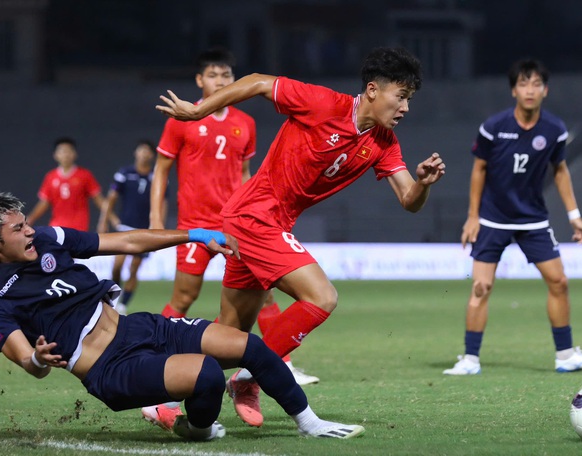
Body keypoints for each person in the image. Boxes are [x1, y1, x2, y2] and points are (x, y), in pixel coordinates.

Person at [156, 46, 446, 427]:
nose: (406, 107)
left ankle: (159, 392)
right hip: (254, 216)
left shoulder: (384, 143)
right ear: (374, 90)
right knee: (323, 296)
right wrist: (199, 110)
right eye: (402, 96)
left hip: (266, 222)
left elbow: (409, 200)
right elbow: (260, 82)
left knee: (229, 335)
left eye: (409, 98)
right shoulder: (324, 104)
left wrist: (423, 183)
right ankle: (250, 378)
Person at [0, 190, 365, 441]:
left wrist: (194, 234)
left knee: (250, 347)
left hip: (138, 327)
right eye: (18, 229)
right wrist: (37, 359)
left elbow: (129, 241)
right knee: (207, 375)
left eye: (26, 223)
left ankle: (310, 423)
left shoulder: (49, 238)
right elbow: (29, 363)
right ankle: (198, 430)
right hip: (110, 368)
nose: (30, 231)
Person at [149, 46, 318, 403]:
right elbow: (161, 170)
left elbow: (245, 175)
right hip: (194, 224)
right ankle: (155, 359)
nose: (220, 81)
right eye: (213, 75)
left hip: (236, 224)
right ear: (199, 80)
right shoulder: (182, 119)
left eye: (226, 76)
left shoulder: (246, 124)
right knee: (184, 297)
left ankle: (280, 361)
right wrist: (155, 219)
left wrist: (258, 216)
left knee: (265, 291)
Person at [442, 58, 582, 376]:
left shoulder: (555, 130)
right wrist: (472, 216)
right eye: (523, 84)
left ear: (545, 91)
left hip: (533, 220)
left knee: (559, 281)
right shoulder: (494, 127)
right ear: (513, 91)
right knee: (480, 287)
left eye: (535, 84)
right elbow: (479, 170)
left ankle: (566, 355)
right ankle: (470, 359)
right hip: (492, 219)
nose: (529, 90)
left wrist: (575, 216)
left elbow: (560, 170)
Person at [97, 140, 164, 315]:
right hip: (125, 227)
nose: (144, 154)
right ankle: (113, 297)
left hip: (145, 229)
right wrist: (105, 219)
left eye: (147, 151)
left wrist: (159, 225)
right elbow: (111, 198)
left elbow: (163, 202)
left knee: (134, 268)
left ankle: (123, 306)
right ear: (136, 153)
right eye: (141, 150)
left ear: (152, 155)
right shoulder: (125, 173)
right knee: (117, 265)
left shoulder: (157, 176)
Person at [27, 137, 108, 231]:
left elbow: (99, 200)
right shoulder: (50, 177)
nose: (65, 154)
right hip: (56, 227)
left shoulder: (84, 175)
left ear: (75, 154)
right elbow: (44, 203)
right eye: (62, 151)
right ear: (55, 155)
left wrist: (110, 219)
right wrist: (30, 219)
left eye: (69, 151)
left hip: (79, 228)